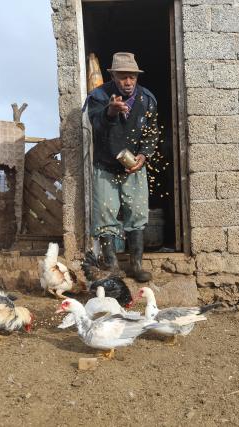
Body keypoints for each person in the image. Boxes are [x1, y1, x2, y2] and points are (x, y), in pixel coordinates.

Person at [86, 52, 159, 282]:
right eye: (122, 77)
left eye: (132, 77)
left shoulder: (147, 99)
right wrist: (110, 111)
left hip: (134, 167)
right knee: (105, 215)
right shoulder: (98, 96)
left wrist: (144, 156)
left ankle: (136, 265)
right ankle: (112, 266)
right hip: (106, 167)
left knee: (136, 214)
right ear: (113, 76)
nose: (128, 82)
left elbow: (152, 132)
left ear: (137, 77)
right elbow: (95, 124)